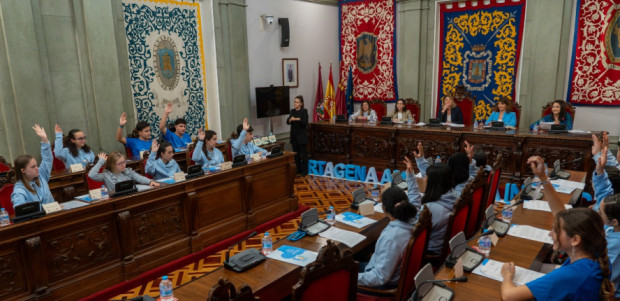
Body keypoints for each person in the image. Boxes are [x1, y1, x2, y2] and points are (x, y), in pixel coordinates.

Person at [500, 155, 612, 301]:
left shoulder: (571, 276)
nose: (550, 234)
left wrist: (507, 276)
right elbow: (561, 215)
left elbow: (509, 296)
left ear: (575, 240)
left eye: (555, 230)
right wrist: (543, 178)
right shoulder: (595, 253)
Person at [357, 186, 417, 288]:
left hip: (384, 284)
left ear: (384, 208)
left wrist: (351, 278)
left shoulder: (392, 238)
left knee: (341, 273)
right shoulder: (412, 221)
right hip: (386, 271)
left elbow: (380, 277)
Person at [405, 155, 456, 254]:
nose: (424, 179)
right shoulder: (452, 194)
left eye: (426, 177)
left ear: (433, 182)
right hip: (441, 245)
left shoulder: (432, 209)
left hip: (428, 252)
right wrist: (411, 176)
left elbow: (411, 224)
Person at [11, 125, 55, 207]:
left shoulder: (41, 175)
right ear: (23, 170)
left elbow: (47, 159)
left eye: (36, 165)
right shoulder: (19, 190)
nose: (37, 168)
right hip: (40, 218)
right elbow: (20, 210)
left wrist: (44, 139)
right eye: (33, 167)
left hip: (54, 214)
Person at [88, 151, 159, 191]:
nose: (123, 165)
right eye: (120, 163)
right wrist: (101, 162)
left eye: (124, 162)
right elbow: (91, 175)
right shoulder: (106, 175)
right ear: (112, 165)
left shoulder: (127, 171)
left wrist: (150, 181)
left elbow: (139, 178)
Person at [286, 95, 309, 176]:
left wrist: (295, 119)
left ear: (301, 103)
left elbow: (305, 122)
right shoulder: (292, 111)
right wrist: (290, 119)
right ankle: (298, 170)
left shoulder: (304, 111)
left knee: (303, 155)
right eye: (294, 102)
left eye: (297, 102)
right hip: (294, 137)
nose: (295, 104)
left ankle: (304, 171)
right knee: (296, 155)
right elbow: (288, 122)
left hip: (301, 137)